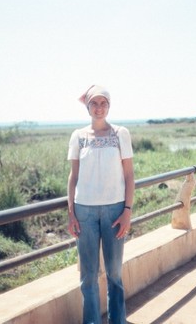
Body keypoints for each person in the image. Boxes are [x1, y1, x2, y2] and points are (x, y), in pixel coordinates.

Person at [67, 85, 135, 324]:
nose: (99, 108)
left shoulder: (120, 134)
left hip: (115, 211)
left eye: (103, 103)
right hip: (84, 212)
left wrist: (127, 211)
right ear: (87, 107)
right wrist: (71, 213)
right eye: (94, 104)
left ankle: (118, 320)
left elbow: (129, 175)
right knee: (88, 276)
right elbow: (73, 177)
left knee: (115, 274)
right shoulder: (79, 137)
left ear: (109, 106)